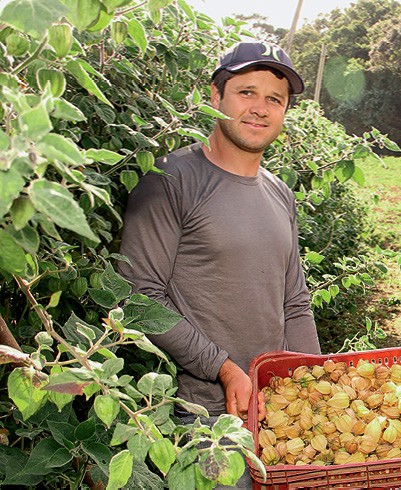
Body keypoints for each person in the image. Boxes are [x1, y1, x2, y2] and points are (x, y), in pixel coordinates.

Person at [118, 40, 321, 480]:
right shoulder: (170, 179)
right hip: (205, 418)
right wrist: (223, 369)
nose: (260, 109)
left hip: (279, 410)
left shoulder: (280, 193)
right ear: (216, 95)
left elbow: (295, 301)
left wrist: (314, 386)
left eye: (275, 99)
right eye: (246, 92)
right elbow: (139, 295)